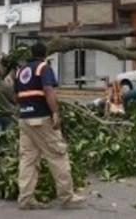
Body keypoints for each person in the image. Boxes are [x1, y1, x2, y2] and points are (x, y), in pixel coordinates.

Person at [13, 42, 85, 210]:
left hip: (24, 119)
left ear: (31, 53)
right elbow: (48, 90)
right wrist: (55, 113)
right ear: (45, 55)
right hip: (41, 119)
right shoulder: (43, 68)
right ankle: (67, 197)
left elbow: (15, 95)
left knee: (28, 160)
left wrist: (27, 106)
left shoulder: (21, 71)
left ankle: (25, 198)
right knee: (57, 154)